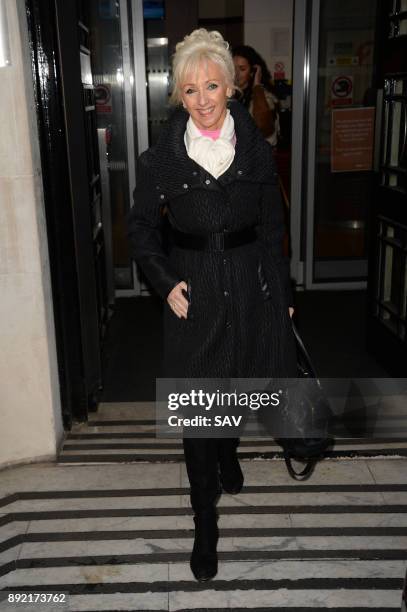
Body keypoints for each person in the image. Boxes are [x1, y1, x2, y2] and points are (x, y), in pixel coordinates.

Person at [127, 28, 296, 582]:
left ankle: (229, 450)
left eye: (213, 86)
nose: (202, 100)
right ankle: (206, 526)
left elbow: (273, 229)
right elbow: (142, 228)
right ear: (180, 93)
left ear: (233, 86)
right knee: (199, 414)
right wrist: (165, 281)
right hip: (193, 296)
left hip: (248, 286)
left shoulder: (255, 151)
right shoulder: (162, 158)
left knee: (239, 387)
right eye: (191, 89)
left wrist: (283, 296)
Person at [232, 45, 280, 147]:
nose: (236, 74)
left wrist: (257, 85)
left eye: (242, 69)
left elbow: (264, 128)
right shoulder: (228, 95)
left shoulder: (264, 97)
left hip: (260, 156)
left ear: (252, 72)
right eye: (232, 68)